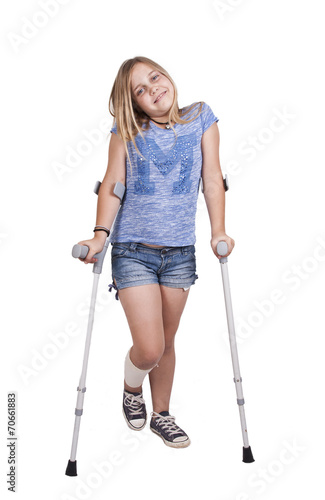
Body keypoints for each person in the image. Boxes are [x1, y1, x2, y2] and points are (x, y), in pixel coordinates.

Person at [77, 56, 235, 448]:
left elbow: (212, 180)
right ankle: (133, 388)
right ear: (135, 104)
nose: (153, 89)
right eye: (140, 91)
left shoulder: (201, 116)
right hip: (133, 250)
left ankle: (161, 414)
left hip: (180, 253)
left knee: (166, 342)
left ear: (167, 74)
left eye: (154, 77)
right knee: (149, 348)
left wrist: (220, 231)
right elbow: (114, 183)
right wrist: (99, 236)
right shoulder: (127, 130)